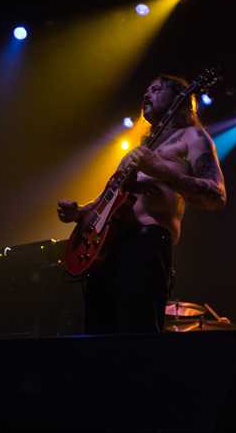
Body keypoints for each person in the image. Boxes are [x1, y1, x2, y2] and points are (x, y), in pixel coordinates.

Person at [57, 74, 226, 334]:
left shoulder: (192, 136)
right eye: (146, 90)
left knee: (138, 335)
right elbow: (108, 198)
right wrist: (80, 212)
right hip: (106, 247)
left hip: (146, 242)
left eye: (156, 89)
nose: (146, 95)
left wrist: (161, 171)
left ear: (177, 99)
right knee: (97, 335)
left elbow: (217, 195)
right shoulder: (135, 151)